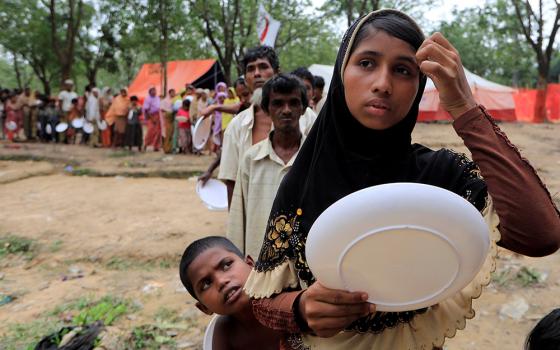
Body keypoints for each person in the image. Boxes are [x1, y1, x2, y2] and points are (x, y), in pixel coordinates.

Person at [244, 9, 560, 350]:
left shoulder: (438, 178)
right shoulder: (304, 180)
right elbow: (263, 299)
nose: (383, 83)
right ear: (341, 73)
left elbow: (541, 234)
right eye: (367, 63)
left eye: (403, 70)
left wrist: (464, 106)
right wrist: (300, 309)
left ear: (420, 84)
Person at [217, 46, 317, 206]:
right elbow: (232, 183)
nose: (257, 73)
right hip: (257, 215)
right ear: (246, 78)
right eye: (250, 69)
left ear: (276, 72)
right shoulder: (236, 127)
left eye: (263, 67)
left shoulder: (307, 118)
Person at [228, 74, 307, 258]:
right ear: (266, 108)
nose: (286, 110)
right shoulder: (251, 159)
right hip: (261, 264)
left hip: (307, 267)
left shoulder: (316, 158)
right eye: (278, 103)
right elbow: (238, 218)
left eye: (293, 103)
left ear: (303, 108)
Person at [179, 236, 281, 350]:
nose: (221, 282)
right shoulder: (223, 331)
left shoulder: (286, 297)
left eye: (227, 265)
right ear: (204, 308)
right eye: (206, 284)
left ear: (251, 264)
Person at [143, 87, 162, 152]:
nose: (154, 92)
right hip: (151, 116)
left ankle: (156, 146)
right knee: (150, 131)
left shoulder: (157, 98)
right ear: (149, 92)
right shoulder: (148, 99)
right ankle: (145, 145)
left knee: (158, 132)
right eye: (152, 90)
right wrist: (152, 118)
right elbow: (146, 110)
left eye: (155, 90)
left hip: (158, 115)